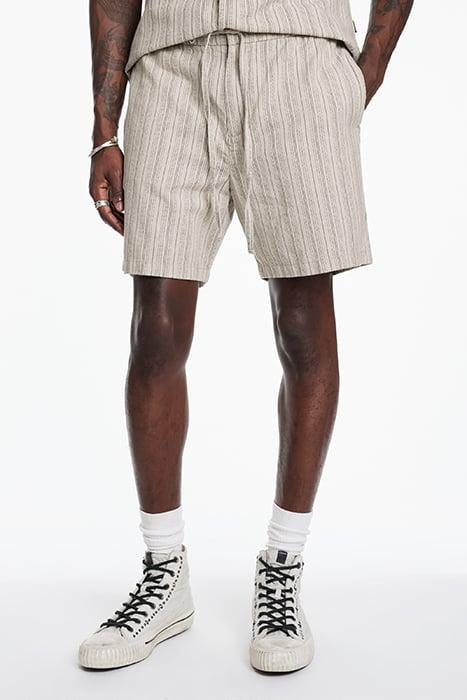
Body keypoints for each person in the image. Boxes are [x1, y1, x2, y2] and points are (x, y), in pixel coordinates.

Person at [79, 0, 414, 673]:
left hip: (300, 59)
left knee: (303, 324)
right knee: (156, 331)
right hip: (170, 66)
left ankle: (283, 565)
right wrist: (104, 131)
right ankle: (164, 572)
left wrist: (367, 69)